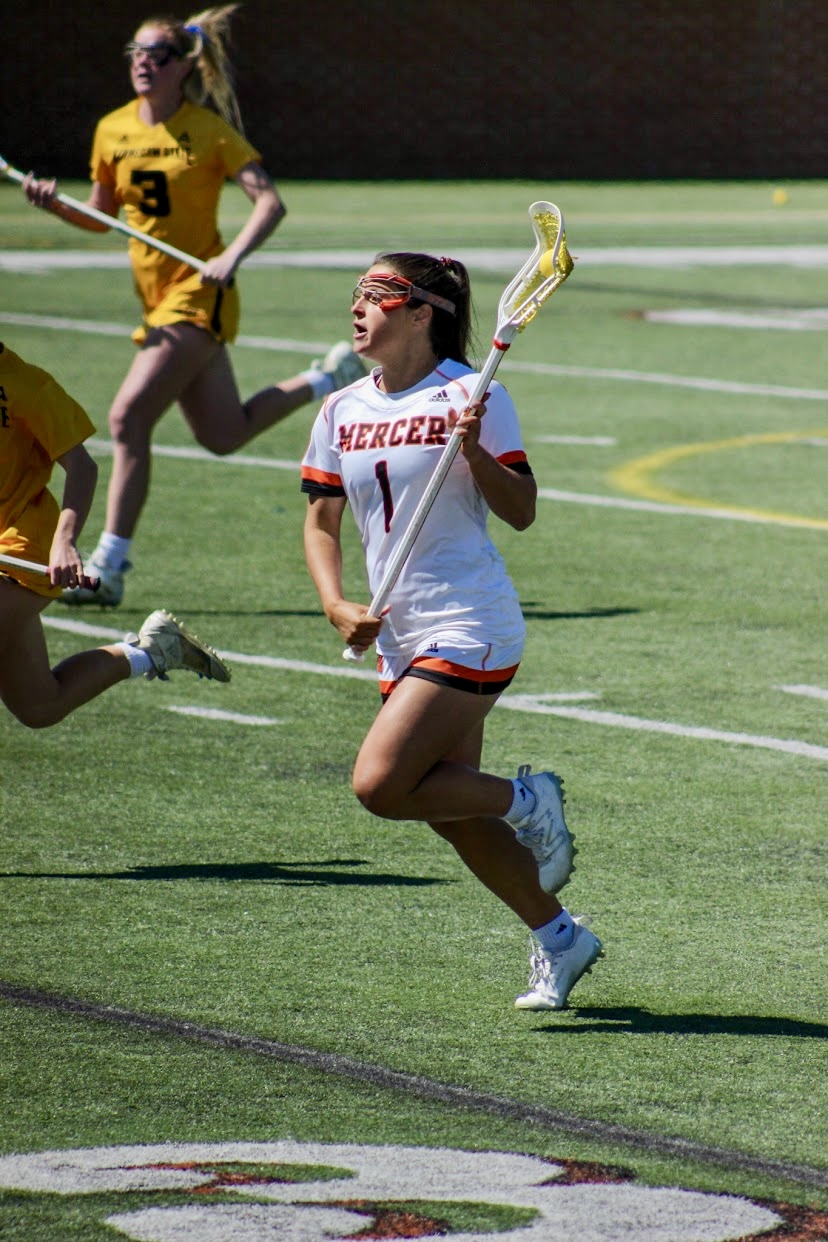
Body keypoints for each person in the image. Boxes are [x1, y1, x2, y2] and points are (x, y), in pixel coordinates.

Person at [301, 254, 603, 1010]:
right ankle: (561, 938)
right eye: (356, 295)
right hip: (401, 635)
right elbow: (320, 521)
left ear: (421, 311)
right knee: (445, 810)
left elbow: (523, 509)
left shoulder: (472, 395)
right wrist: (337, 603)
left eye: (376, 295)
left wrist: (471, 451)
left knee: (379, 785)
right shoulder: (340, 410)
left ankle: (529, 798)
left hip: (470, 620)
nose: (358, 307)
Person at [22, 4, 364, 607]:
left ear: (183, 65)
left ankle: (112, 565)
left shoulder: (208, 132)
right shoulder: (112, 129)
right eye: (134, 53)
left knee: (128, 418)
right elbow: (100, 215)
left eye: (155, 55)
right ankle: (327, 379)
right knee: (223, 435)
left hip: (199, 294)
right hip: (155, 303)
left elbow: (269, 203)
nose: (142, 64)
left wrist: (231, 257)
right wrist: (54, 205)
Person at [0, 341, 230, 729]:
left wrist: (65, 541)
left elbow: (82, 467)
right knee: (41, 706)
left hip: (27, 545)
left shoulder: (27, 385)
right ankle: (152, 650)